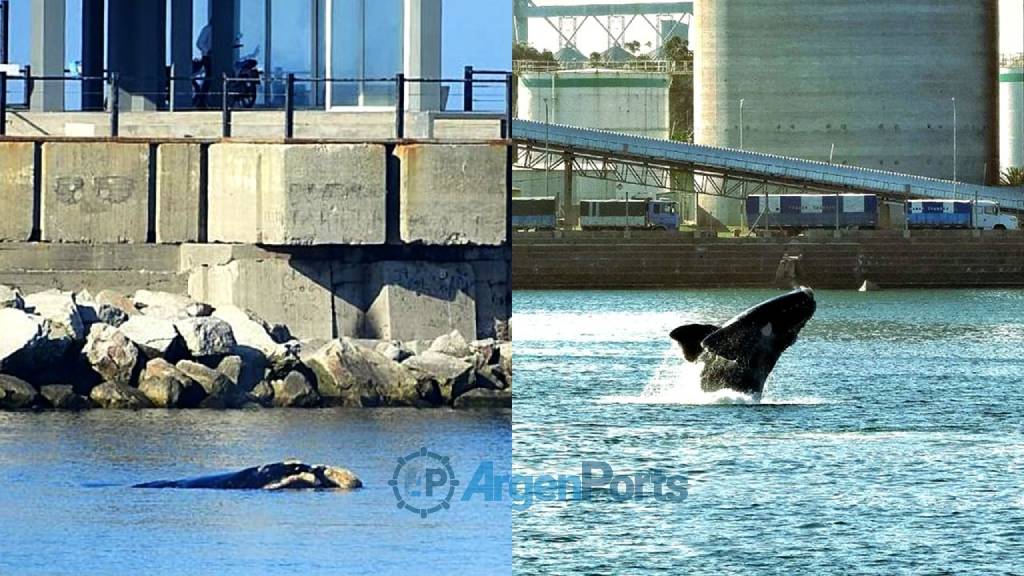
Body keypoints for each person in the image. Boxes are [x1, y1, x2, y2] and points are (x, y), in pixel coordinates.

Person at [195, 20, 212, 106]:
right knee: (209, 77)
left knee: (210, 77)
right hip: (208, 57)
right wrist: (207, 50)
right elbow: (199, 43)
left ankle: (204, 99)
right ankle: (202, 99)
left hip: (215, 56)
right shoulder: (208, 29)